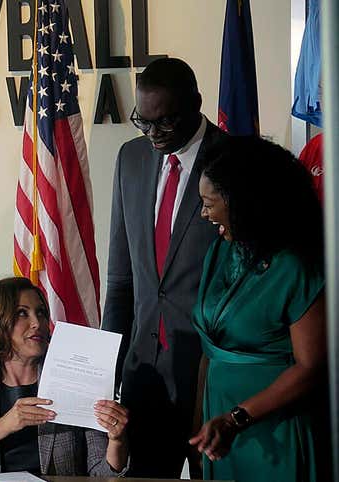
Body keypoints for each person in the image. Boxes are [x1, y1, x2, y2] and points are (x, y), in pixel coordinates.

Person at [101, 57, 226, 478]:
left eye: (166, 123)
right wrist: (108, 366)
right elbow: (122, 278)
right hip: (145, 375)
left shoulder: (233, 160)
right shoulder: (130, 158)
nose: (153, 134)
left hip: (211, 375)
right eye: (143, 121)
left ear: (196, 105)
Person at [189, 136, 328, 482]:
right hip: (217, 425)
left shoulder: (295, 266)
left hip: (274, 429)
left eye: (209, 203)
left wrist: (237, 418)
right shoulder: (220, 252)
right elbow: (211, 348)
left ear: (244, 203)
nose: (204, 213)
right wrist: (200, 419)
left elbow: (311, 367)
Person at [0, 277, 129, 476]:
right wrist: (4, 424)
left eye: (41, 313)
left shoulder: (74, 381)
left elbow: (102, 474)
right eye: (22, 313)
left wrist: (117, 441)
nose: (37, 323)